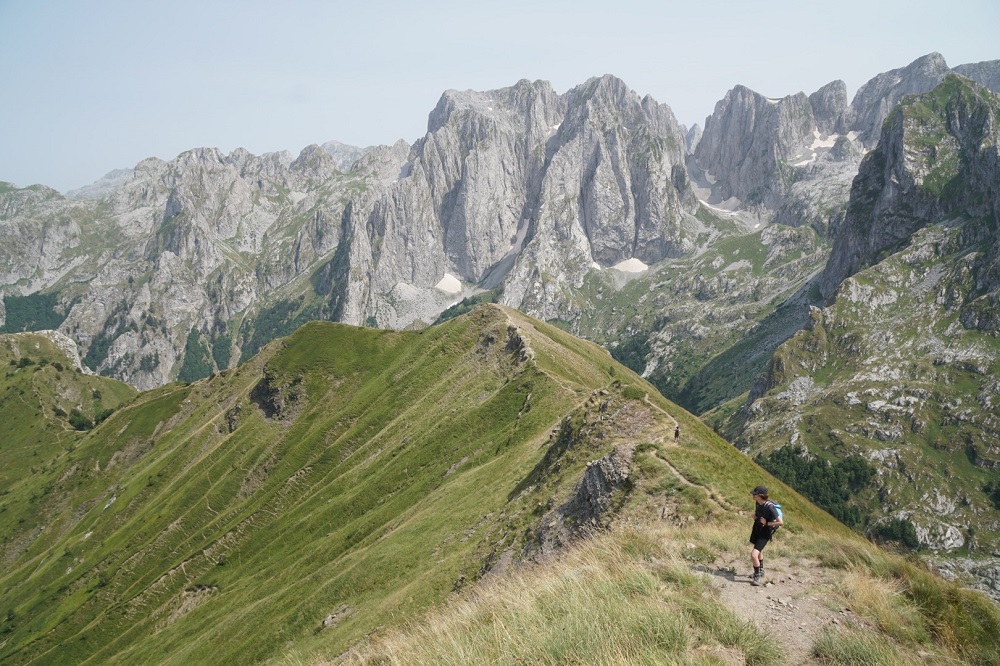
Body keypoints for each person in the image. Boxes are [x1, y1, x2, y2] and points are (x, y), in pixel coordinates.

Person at [748, 485, 781, 586]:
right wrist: (756, 518)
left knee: (753, 555)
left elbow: (780, 522)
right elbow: (760, 516)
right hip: (757, 529)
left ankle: (757, 575)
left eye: (755, 494)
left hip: (765, 533)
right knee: (759, 551)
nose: (753, 495)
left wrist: (767, 523)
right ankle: (761, 570)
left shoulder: (770, 507)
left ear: (759, 495)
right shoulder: (758, 503)